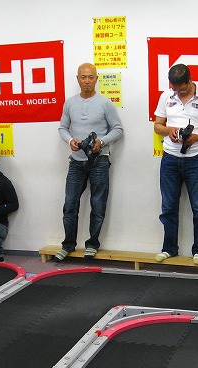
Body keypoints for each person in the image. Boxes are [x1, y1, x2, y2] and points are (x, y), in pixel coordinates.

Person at [55, 63, 123, 261]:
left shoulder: (105, 103)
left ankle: (92, 244)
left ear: (96, 78)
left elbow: (118, 129)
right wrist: (70, 141)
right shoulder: (69, 103)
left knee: (98, 204)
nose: (87, 81)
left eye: (90, 77)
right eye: (83, 77)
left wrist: (102, 142)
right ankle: (68, 245)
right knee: (70, 204)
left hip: (99, 161)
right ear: (77, 79)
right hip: (76, 162)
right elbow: (62, 128)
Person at [153, 63, 198, 265]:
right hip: (170, 158)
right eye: (175, 89)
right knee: (168, 206)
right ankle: (169, 248)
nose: (178, 93)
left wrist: (196, 137)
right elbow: (157, 125)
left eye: (181, 89)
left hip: (196, 159)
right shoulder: (166, 96)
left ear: (189, 81)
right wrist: (169, 130)